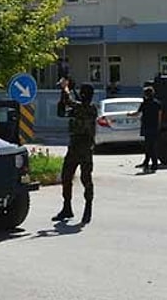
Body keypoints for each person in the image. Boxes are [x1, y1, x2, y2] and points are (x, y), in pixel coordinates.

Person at [54, 79, 97, 224]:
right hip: (75, 147)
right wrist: (64, 94)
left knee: (86, 179)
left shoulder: (89, 108)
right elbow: (62, 111)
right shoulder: (83, 108)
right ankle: (67, 208)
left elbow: (69, 101)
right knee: (66, 177)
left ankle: (88, 208)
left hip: (84, 148)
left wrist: (65, 88)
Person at [132, 86, 163, 173]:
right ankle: (148, 163)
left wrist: (129, 114)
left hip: (146, 126)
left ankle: (153, 164)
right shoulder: (157, 103)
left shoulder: (144, 104)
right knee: (152, 146)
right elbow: (160, 116)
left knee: (148, 146)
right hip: (154, 127)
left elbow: (137, 113)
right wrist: (159, 126)